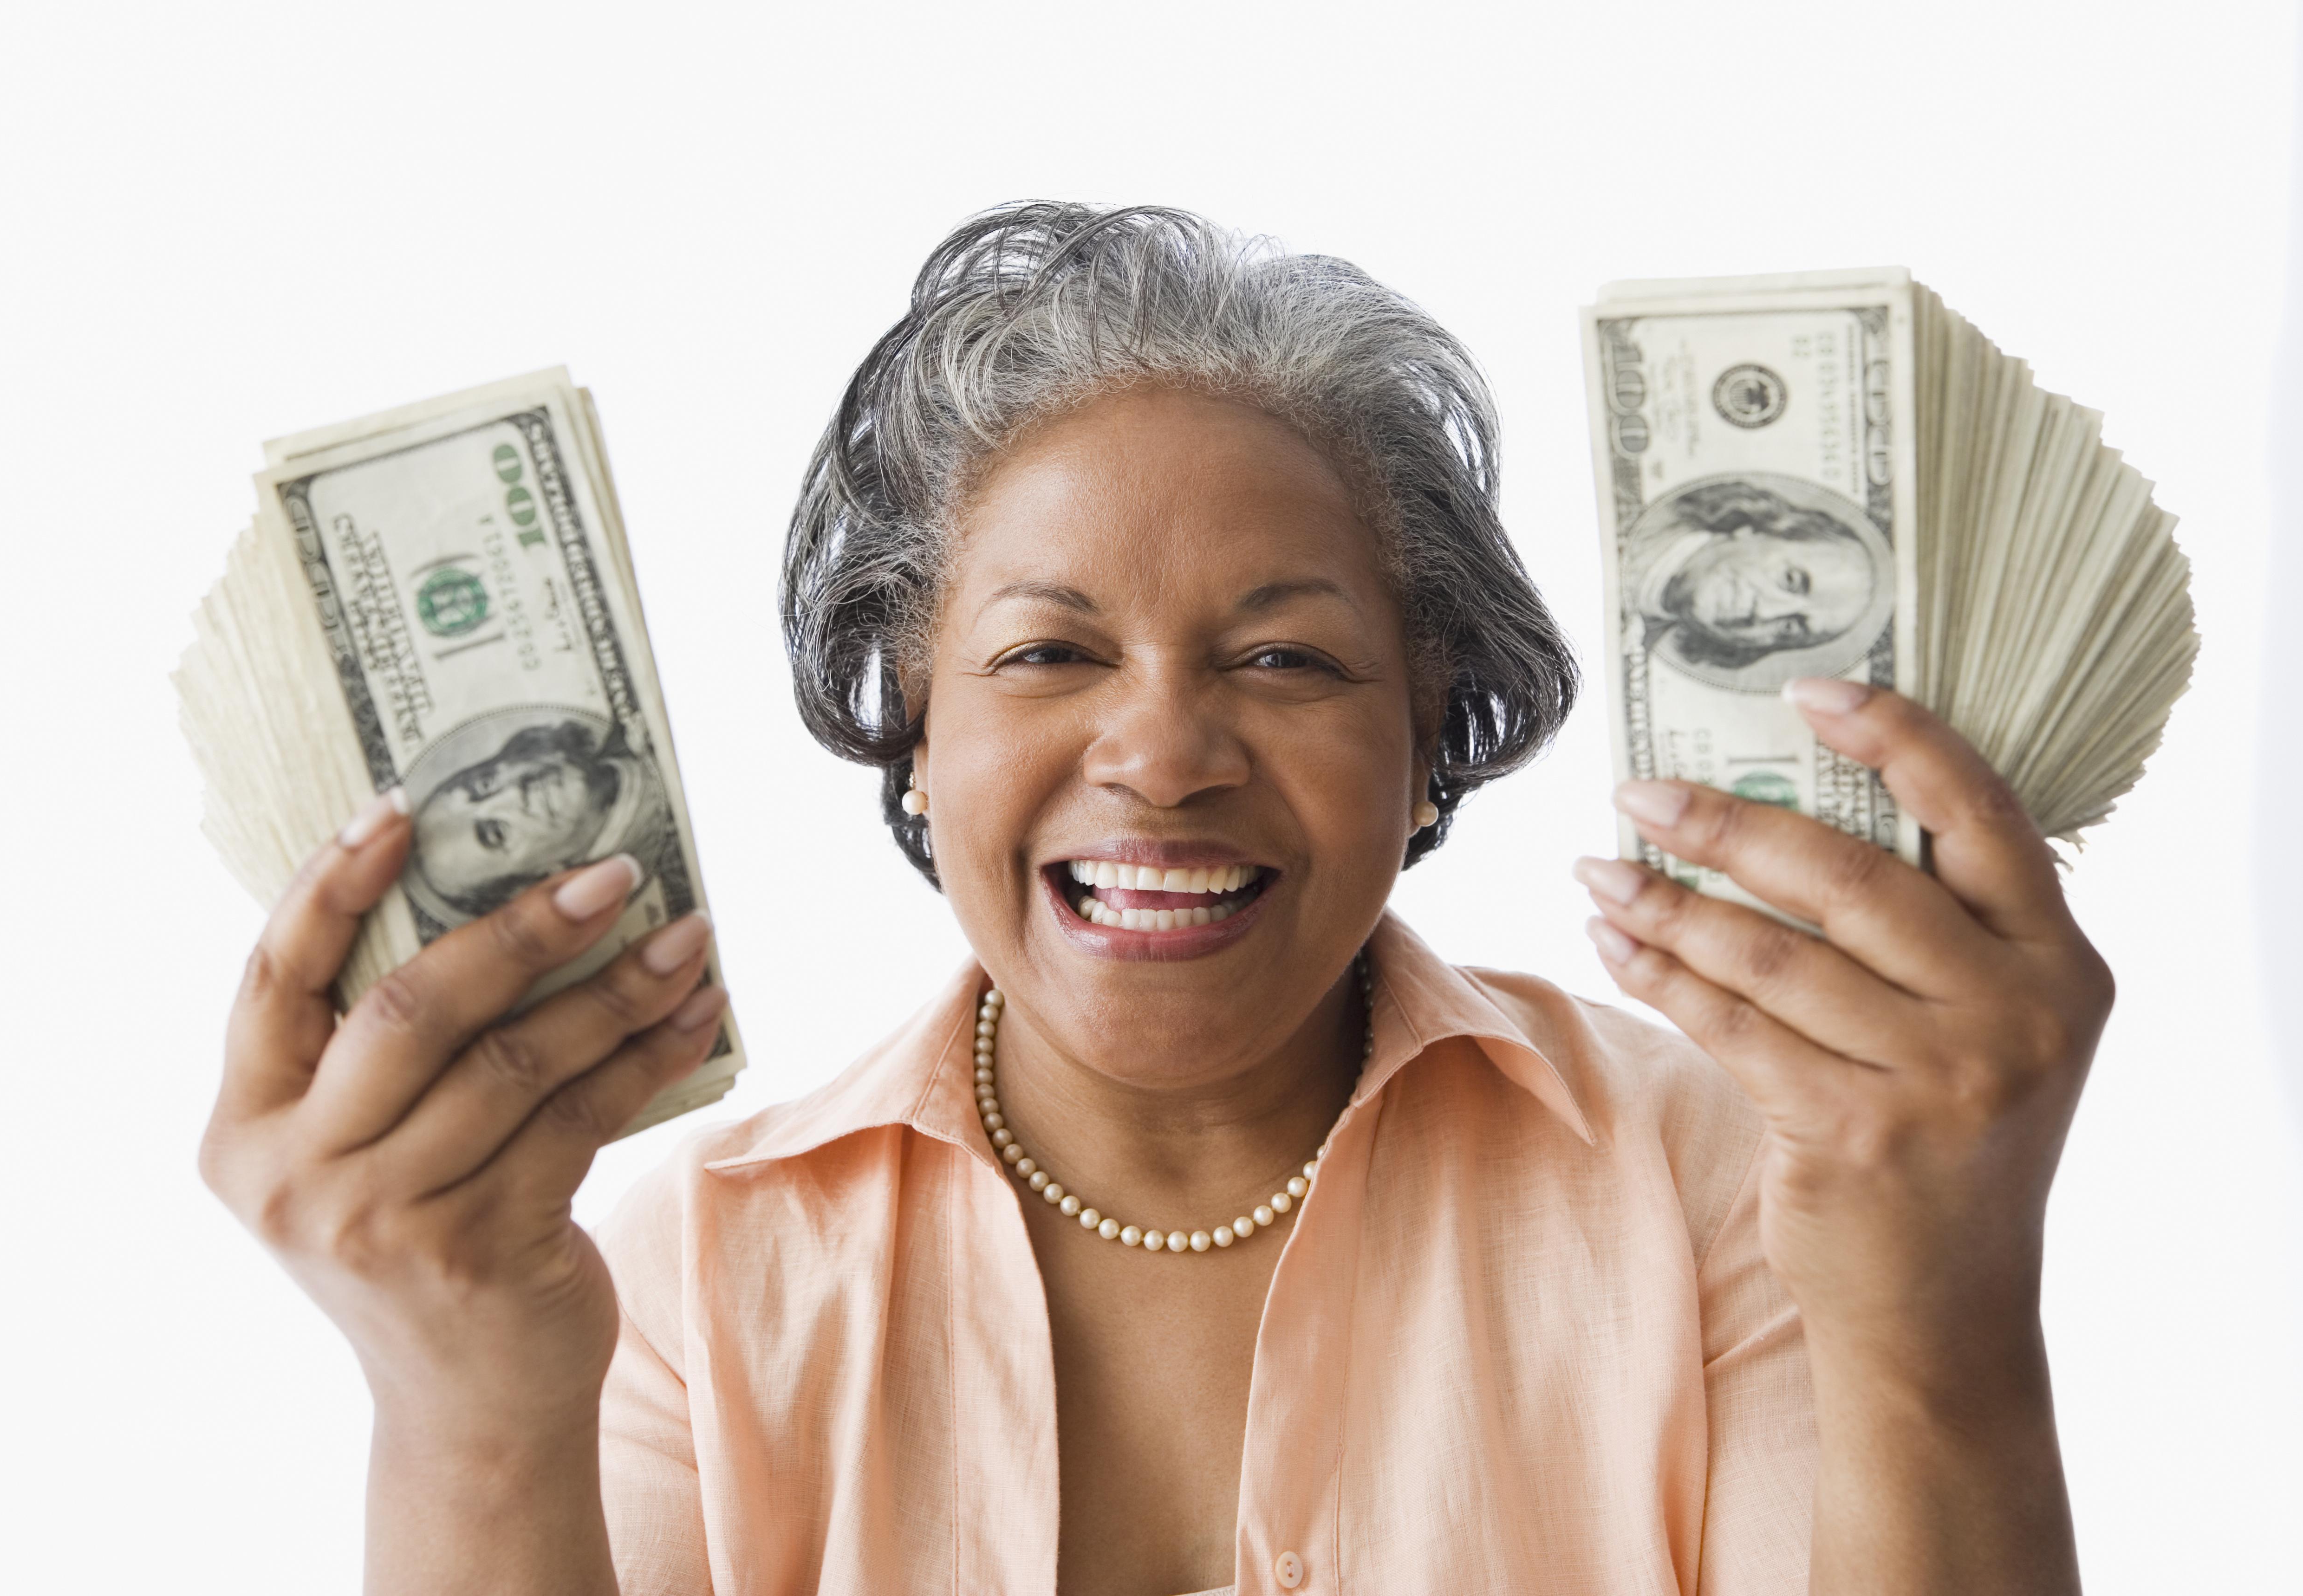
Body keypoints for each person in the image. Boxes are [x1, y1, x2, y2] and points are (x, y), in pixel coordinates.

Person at [200, 205, 2106, 1595]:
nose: (1164, 751)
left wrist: (1935, 1296)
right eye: (1045, 655)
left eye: (1283, 661)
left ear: (1428, 734)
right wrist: (465, 1401)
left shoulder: (1716, 1183)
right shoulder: (689, 1270)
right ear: (910, 732)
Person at [405, 714, 677, 926]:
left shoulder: (625, 728)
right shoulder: (652, 850)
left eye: (484, 784)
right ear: (539, 877)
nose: (512, 793)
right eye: (497, 833)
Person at [1626, 477, 1884, 675]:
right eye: (1791, 581)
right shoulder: (1632, 502)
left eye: (1790, 628)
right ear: (1754, 528)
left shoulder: (1627, 658)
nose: (1765, 613)